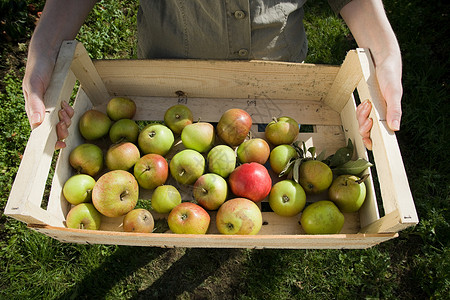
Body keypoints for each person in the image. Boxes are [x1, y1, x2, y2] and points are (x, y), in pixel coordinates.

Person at [22, 0, 402, 151]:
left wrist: (384, 53)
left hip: (277, 72)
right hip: (170, 77)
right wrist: (45, 49)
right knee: (174, 160)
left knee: (269, 168)